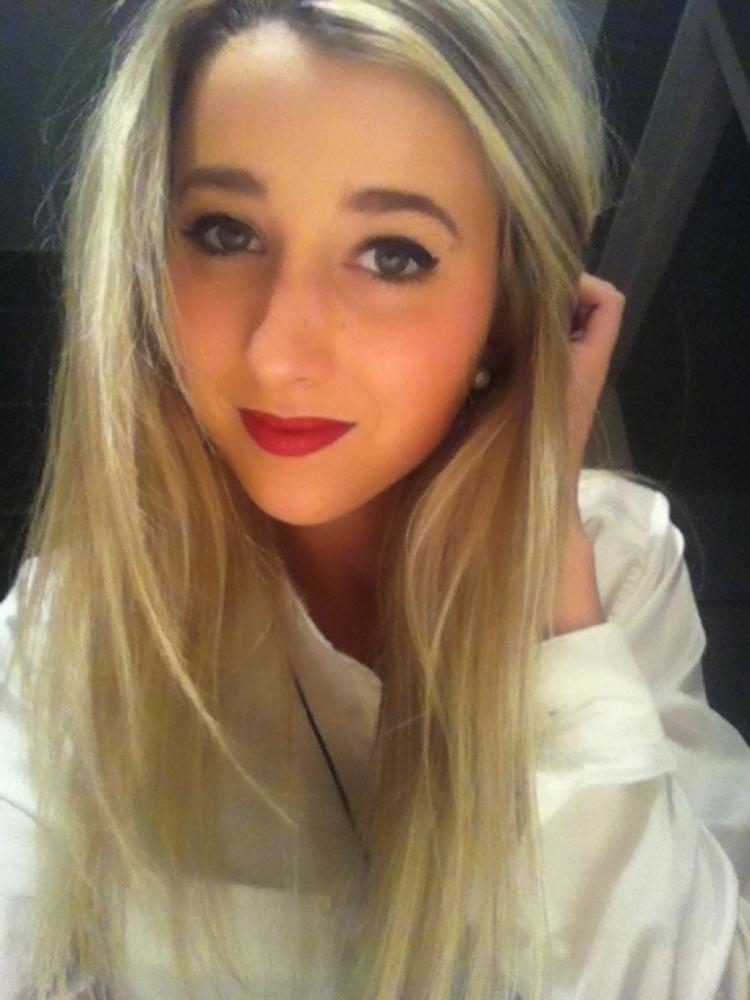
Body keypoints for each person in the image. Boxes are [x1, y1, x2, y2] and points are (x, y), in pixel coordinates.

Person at [1, 0, 748, 996]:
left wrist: (539, 575)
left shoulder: (617, 568)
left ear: (509, 302)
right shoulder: (71, 625)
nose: (279, 352)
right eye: (225, 232)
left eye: (394, 253)